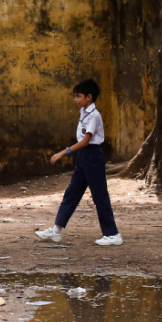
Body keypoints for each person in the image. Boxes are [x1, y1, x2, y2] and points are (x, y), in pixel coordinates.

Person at [35, 79, 123, 246]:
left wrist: (63, 152)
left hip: (93, 155)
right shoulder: (84, 112)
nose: (76, 100)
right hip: (83, 157)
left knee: (99, 195)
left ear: (89, 97)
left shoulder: (94, 116)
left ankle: (112, 234)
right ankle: (56, 230)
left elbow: (86, 140)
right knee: (72, 193)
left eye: (79, 96)